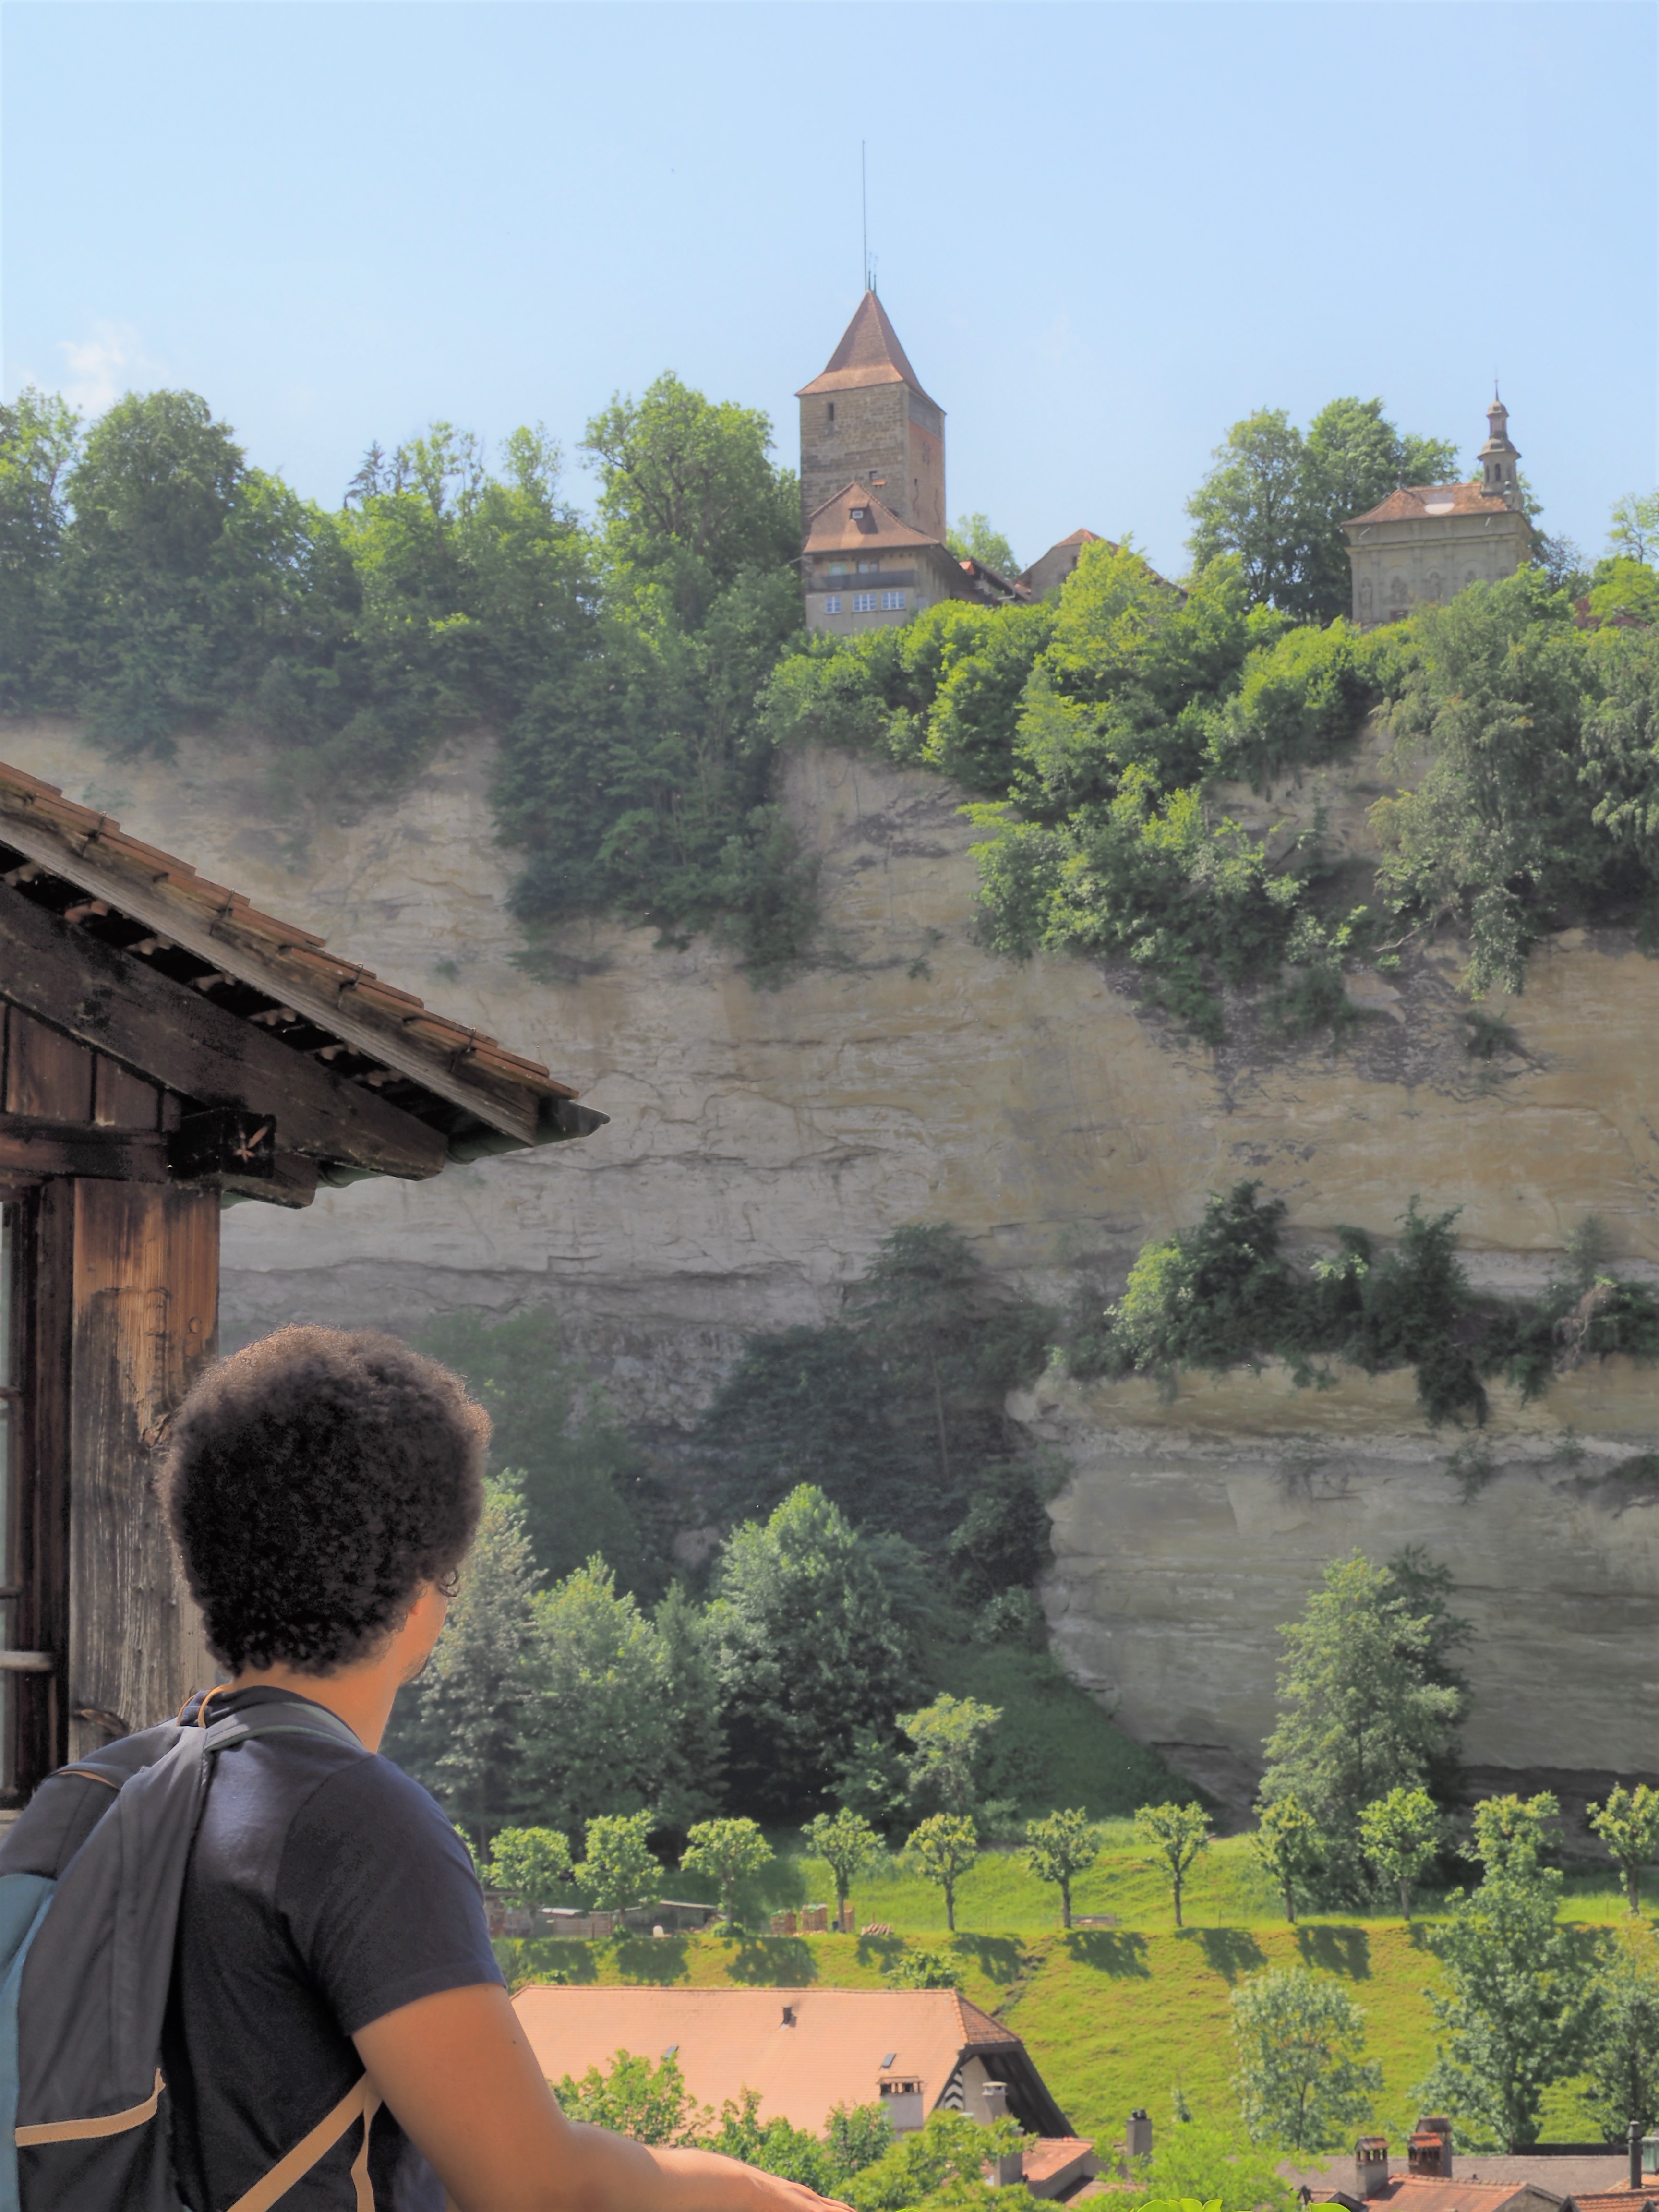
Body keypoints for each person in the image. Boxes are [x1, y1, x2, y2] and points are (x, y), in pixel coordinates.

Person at [156, 1325, 848, 2212]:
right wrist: (760, 2194)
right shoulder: (356, 1823)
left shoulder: (139, 1783)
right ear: (424, 1591)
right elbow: (536, 2188)